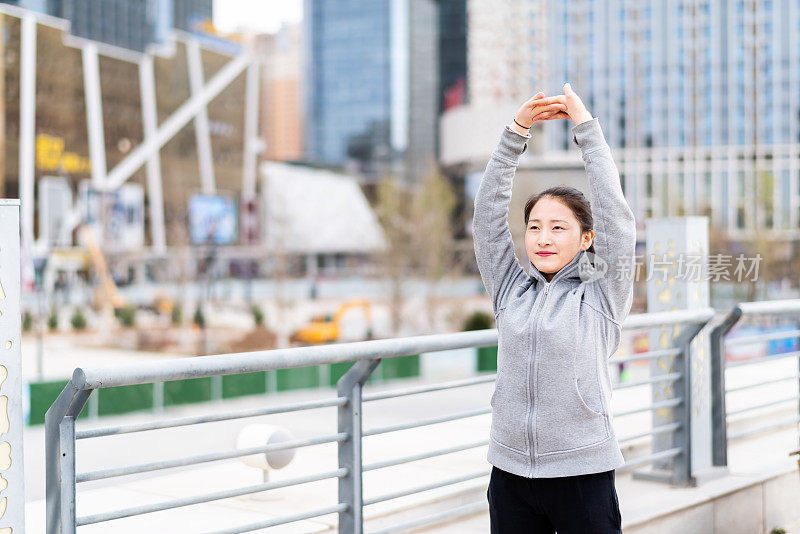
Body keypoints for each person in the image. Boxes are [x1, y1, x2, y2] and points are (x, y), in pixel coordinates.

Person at [473, 83, 636, 533]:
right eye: (534, 227)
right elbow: (486, 215)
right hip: (509, 475)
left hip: (582, 473)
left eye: (558, 227)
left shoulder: (601, 295)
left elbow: (617, 219)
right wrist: (515, 134)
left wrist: (586, 130)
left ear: (586, 239)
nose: (543, 237)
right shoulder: (510, 287)